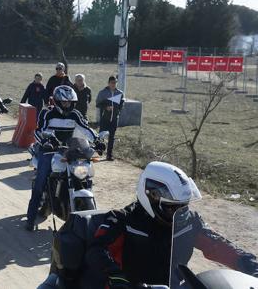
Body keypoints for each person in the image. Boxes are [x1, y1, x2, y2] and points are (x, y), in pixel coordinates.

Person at [86, 161, 258, 288]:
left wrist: (250, 264)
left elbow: (219, 245)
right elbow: (96, 250)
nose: (180, 212)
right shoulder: (122, 220)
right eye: (172, 207)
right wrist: (118, 278)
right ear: (150, 197)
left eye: (184, 206)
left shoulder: (188, 221)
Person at [25, 85, 101, 231]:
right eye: (64, 102)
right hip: (48, 151)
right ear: (57, 102)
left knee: (83, 175)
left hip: (68, 150)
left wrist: (97, 140)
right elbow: (38, 131)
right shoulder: (47, 113)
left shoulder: (75, 114)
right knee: (41, 182)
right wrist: (45, 142)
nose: (67, 105)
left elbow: (85, 129)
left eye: (70, 102)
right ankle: (31, 217)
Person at [96, 76, 124, 161]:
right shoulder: (102, 92)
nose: (113, 84)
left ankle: (109, 155)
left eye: (115, 83)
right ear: (108, 83)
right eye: (112, 83)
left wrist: (118, 109)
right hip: (104, 118)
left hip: (114, 119)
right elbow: (97, 103)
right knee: (101, 135)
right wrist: (105, 107)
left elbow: (121, 104)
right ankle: (99, 150)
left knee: (112, 137)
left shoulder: (120, 93)